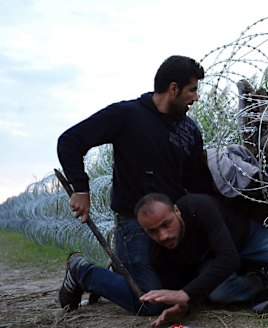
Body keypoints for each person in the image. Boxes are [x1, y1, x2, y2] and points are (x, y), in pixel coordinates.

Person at [56, 55, 214, 315]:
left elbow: (195, 180)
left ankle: (120, 272)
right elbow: (70, 141)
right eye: (192, 90)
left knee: (187, 293)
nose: (196, 97)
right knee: (151, 306)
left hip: (175, 226)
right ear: (173, 89)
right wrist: (80, 189)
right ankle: (82, 271)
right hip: (135, 226)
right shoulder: (127, 115)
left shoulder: (190, 131)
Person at [134, 192, 268, 327]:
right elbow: (180, 292)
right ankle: (267, 282)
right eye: (153, 231)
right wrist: (183, 307)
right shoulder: (158, 253)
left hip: (245, 239)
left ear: (177, 211)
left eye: (166, 224)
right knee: (220, 294)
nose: (163, 236)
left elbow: (229, 258)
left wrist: (186, 294)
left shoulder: (198, 206)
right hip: (214, 259)